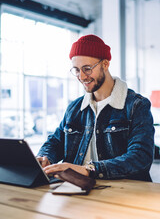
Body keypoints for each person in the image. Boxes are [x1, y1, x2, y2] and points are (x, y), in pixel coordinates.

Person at [37, 34, 154, 181]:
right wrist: (44, 157)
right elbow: (55, 142)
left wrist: (89, 170)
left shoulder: (136, 105)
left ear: (105, 64)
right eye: (77, 70)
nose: (82, 76)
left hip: (123, 191)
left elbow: (140, 158)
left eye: (87, 68)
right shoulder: (74, 108)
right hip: (77, 189)